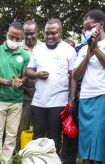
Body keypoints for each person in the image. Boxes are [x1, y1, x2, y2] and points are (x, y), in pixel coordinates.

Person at [26, 19, 77, 153]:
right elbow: (28, 71)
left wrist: (72, 98)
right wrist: (37, 75)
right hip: (38, 101)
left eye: (53, 33)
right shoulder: (38, 50)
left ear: (61, 32)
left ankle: (52, 163)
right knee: (38, 134)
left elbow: (73, 76)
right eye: (47, 33)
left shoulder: (69, 50)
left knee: (54, 134)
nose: (49, 36)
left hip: (58, 100)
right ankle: (37, 162)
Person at [71, 10, 105, 164]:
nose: (85, 32)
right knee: (85, 133)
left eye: (88, 28)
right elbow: (76, 76)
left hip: (102, 95)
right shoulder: (83, 49)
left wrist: (96, 49)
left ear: (101, 25)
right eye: (83, 29)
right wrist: (88, 56)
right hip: (85, 96)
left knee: (97, 134)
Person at [0, 22, 29, 164]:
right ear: (7, 34)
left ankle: (5, 163)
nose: (15, 41)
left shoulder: (24, 55)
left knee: (12, 134)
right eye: (12, 37)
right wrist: (7, 82)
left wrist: (21, 82)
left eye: (18, 39)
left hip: (16, 100)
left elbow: (25, 76)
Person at [15, 20, 43, 153]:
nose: (29, 36)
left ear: (37, 32)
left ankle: (40, 152)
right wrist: (25, 88)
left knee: (40, 126)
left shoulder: (44, 47)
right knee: (21, 125)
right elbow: (14, 72)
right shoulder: (17, 48)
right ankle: (19, 154)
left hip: (41, 93)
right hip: (23, 94)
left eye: (32, 33)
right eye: (26, 34)